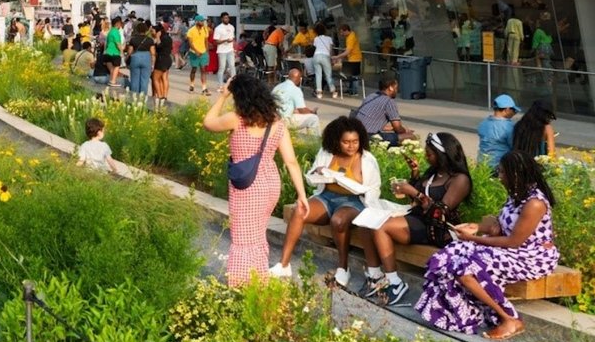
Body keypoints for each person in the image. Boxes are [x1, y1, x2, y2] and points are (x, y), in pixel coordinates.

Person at [416, 151, 559, 340]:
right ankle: (455, 313)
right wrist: (476, 227)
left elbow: (513, 242)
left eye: (502, 173)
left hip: (531, 257)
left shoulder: (534, 203)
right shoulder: (518, 194)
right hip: (511, 250)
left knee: (466, 269)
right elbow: (501, 227)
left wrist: (472, 239)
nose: (500, 177)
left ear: (515, 175)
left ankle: (509, 318)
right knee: (449, 254)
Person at [202, 73, 310, 287]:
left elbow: (208, 123)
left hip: (248, 185)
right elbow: (291, 161)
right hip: (270, 183)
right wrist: (302, 195)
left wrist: (222, 96)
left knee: (242, 238)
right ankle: (258, 280)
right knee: (258, 235)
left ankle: (241, 285)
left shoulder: (237, 119)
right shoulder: (277, 123)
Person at [359, 132, 472, 306]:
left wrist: (413, 191)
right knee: (366, 220)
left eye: (430, 154)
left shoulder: (460, 179)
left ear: (443, 154)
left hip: (436, 228)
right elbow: (418, 199)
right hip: (417, 218)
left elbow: (439, 213)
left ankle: (394, 282)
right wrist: (415, 174)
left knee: (381, 226)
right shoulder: (434, 173)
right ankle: (375, 276)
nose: (427, 157)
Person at [271, 116, 379, 285]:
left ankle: (343, 268)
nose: (351, 146)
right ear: (336, 141)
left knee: (338, 220)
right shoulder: (326, 153)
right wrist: (319, 172)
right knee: (300, 210)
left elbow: (374, 188)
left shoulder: (367, 159)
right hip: (326, 197)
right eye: (346, 142)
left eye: (355, 141)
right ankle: (283, 264)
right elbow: (311, 178)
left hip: (353, 202)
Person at [352, 75, 414, 146]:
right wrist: (406, 131)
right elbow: (398, 128)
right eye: (396, 88)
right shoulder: (389, 101)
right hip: (368, 137)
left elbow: (372, 123)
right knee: (410, 137)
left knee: (390, 135)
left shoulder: (371, 96)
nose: (397, 91)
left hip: (355, 133)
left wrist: (391, 128)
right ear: (391, 88)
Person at [271, 67, 320, 132]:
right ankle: (313, 138)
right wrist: (312, 112)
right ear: (299, 79)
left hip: (274, 118)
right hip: (285, 120)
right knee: (313, 119)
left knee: (296, 113)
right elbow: (302, 110)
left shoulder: (277, 87)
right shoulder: (295, 89)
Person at [478, 94, 520, 166]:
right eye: (514, 110)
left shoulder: (483, 123)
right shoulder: (509, 127)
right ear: (507, 110)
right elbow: (514, 146)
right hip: (499, 165)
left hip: (482, 163)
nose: (514, 113)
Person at [125, 21, 155, 98]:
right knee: (145, 80)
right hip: (146, 58)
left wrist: (126, 60)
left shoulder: (133, 39)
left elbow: (129, 52)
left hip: (135, 57)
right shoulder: (150, 40)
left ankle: (134, 97)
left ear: (137, 30)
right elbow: (153, 53)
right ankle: (142, 98)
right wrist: (152, 64)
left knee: (134, 79)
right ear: (146, 30)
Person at [310, 23, 337, 99]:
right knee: (328, 75)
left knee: (318, 75)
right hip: (325, 57)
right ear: (325, 30)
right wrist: (332, 59)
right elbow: (331, 50)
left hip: (316, 56)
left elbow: (315, 47)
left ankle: (319, 93)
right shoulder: (329, 38)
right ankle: (333, 91)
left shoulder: (316, 39)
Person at [186, 15, 211, 95]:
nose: (203, 22)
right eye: (201, 21)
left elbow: (206, 41)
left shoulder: (205, 29)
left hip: (203, 52)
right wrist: (196, 51)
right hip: (194, 53)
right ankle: (192, 85)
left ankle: (204, 88)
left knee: (203, 69)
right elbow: (190, 43)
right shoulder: (191, 31)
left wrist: (206, 52)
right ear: (196, 22)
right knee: (194, 69)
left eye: (203, 21)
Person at [151, 24, 173, 109]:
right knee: (164, 78)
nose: (152, 32)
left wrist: (157, 37)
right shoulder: (169, 38)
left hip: (161, 59)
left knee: (155, 78)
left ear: (158, 32)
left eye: (153, 31)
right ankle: (165, 96)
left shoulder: (161, 38)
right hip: (168, 59)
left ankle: (160, 96)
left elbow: (159, 46)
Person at [339, 23, 363, 96]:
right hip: (352, 58)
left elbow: (348, 51)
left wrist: (337, 57)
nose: (341, 34)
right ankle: (350, 89)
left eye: (342, 32)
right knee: (351, 75)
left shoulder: (351, 38)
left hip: (355, 58)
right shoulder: (350, 36)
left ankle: (354, 91)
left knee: (354, 75)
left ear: (346, 30)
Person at [213, 12, 236, 86]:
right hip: (222, 51)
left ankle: (234, 85)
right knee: (222, 68)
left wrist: (233, 44)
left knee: (232, 66)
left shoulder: (231, 27)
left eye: (228, 18)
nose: (227, 19)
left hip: (230, 50)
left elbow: (232, 38)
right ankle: (220, 85)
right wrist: (225, 40)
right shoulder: (218, 28)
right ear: (222, 19)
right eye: (225, 18)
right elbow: (216, 41)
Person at [104, 17, 125, 89]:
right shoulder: (116, 32)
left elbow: (107, 43)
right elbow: (118, 43)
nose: (121, 26)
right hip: (115, 53)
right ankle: (113, 81)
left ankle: (111, 80)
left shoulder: (110, 32)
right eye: (120, 24)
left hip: (108, 52)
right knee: (116, 67)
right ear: (117, 24)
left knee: (111, 69)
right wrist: (121, 52)